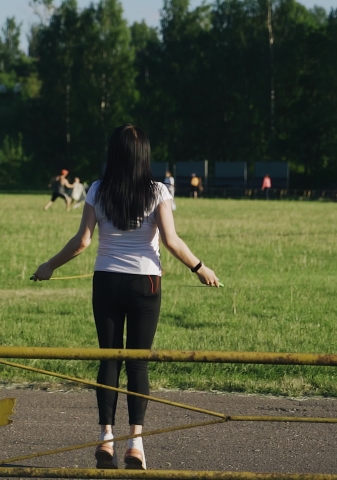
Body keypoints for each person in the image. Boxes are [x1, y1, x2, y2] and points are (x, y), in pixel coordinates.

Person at [30, 124, 220, 471]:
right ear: (144, 155)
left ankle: (105, 437)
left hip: (106, 281)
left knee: (109, 358)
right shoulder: (158, 191)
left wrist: (49, 265)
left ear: (113, 153)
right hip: (145, 283)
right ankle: (135, 443)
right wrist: (200, 268)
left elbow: (83, 241)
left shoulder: (98, 189)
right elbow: (171, 241)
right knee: (138, 361)